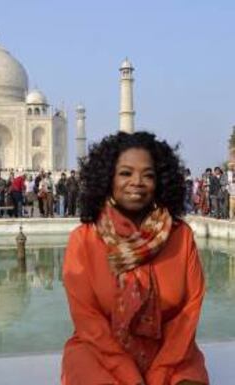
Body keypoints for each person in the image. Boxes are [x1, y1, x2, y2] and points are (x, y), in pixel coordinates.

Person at [61, 132, 208, 385]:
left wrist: (160, 373)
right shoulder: (84, 239)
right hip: (99, 352)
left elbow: (187, 314)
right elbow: (88, 321)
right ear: (108, 179)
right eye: (126, 173)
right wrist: (131, 378)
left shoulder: (180, 237)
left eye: (148, 175)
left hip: (171, 353)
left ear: (160, 181)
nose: (137, 182)